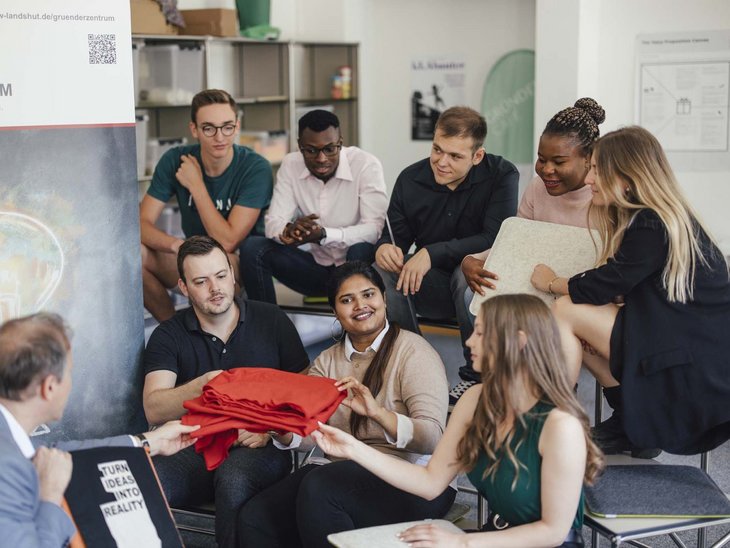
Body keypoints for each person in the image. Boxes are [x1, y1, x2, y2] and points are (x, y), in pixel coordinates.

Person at [313, 294, 604, 547]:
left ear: (517, 342)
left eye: (480, 333)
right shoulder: (476, 398)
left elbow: (553, 532)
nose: (468, 341)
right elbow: (429, 482)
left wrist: (461, 541)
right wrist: (352, 448)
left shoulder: (560, 424)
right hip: (496, 537)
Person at [531, 126, 730, 456]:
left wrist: (551, 282)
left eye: (596, 169)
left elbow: (602, 285)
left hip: (690, 364)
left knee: (565, 310)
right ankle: (631, 424)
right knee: (580, 329)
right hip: (684, 345)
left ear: (625, 177)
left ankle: (554, 424)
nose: (589, 178)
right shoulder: (659, 217)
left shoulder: (652, 223)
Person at [236, 261, 456, 548]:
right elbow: (310, 431)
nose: (360, 305)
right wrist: (281, 430)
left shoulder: (414, 352)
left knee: (320, 490)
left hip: (413, 479)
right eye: (347, 300)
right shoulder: (326, 361)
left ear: (384, 299)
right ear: (335, 312)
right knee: (256, 516)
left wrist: (378, 414)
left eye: (368, 294)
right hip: (338, 470)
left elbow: (431, 439)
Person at [142, 235, 310, 547]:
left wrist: (270, 430)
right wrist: (203, 386)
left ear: (233, 274)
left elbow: (304, 398)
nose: (215, 289)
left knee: (234, 479)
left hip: (260, 444)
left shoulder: (272, 320)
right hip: (193, 444)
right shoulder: (169, 334)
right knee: (148, 481)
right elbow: (153, 407)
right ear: (184, 287)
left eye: (221, 276)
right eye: (201, 281)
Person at [450, 98, 605, 403]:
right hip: (534, 283)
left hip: (577, 293)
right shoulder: (538, 187)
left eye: (559, 162)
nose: (546, 170)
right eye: (541, 159)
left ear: (589, 159)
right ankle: (482, 374)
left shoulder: (603, 195)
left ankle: (547, 388)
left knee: (555, 314)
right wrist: (472, 260)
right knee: (468, 288)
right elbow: (517, 241)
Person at [0, 312, 199, 547]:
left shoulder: (10, 436)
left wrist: (147, 442)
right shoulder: (7, 466)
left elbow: (55, 451)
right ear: (50, 387)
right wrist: (49, 498)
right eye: (69, 374)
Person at [374, 106, 518, 376]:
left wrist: (431, 253)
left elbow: (496, 238)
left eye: (455, 156)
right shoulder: (409, 179)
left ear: (477, 156)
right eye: (437, 149)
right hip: (430, 286)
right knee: (381, 270)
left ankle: (477, 374)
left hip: (478, 286)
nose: (441, 162)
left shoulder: (502, 175)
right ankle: (413, 366)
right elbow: (395, 237)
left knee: (467, 274)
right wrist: (385, 247)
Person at [140, 89, 273, 322]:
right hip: (190, 255)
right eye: (209, 128)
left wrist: (197, 186)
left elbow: (228, 241)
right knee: (134, 255)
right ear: (194, 129)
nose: (220, 137)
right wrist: (176, 245)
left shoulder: (255, 168)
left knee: (217, 261)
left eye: (227, 127)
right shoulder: (176, 160)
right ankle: (174, 330)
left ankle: (216, 336)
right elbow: (140, 224)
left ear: (237, 126)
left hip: (236, 262)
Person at [240, 109, 388, 304]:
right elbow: (273, 222)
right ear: (300, 146)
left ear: (340, 143)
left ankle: (360, 323)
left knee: (360, 249)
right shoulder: (291, 165)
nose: (321, 158)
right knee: (252, 247)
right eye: (311, 150)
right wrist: (288, 231)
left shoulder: (365, 165)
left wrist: (324, 235)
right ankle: (267, 324)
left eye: (329, 149)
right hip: (315, 270)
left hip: (355, 268)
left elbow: (375, 230)